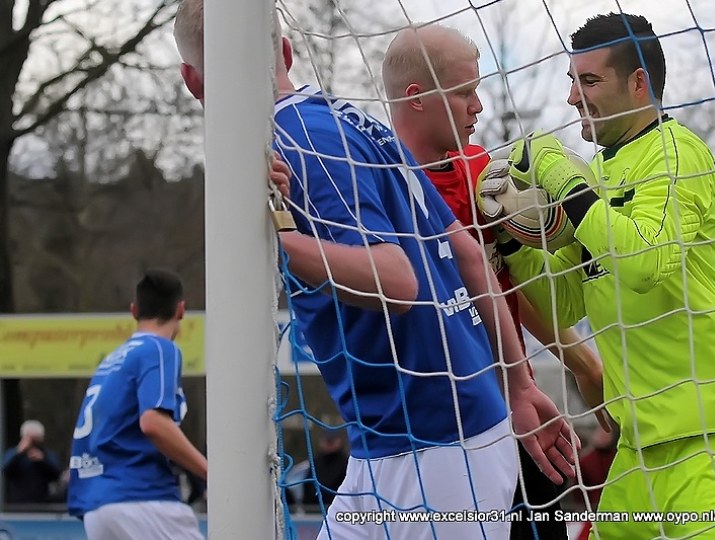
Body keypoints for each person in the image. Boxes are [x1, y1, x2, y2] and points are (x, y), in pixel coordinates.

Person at [174, 3, 579, 539]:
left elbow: (397, 280)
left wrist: (276, 244)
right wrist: (519, 386)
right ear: (287, 51)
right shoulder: (351, 120)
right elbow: (469, 255)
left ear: (192, 81)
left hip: (437, 448)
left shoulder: (296, 138)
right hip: (396, 444)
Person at [477, 12, 715, 539]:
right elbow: (564, 302)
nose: (573, 98)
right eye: (572, 81)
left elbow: (643, 263)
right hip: (637, 446)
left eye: (589, 81)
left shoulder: (677, 153)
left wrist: (560, 175)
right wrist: (509, 239)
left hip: (714, 436)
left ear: (639, 83)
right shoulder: (597, 176)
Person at [382, 24, 608, 540]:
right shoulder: (369, 182)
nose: (478, 106)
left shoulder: (487, 175)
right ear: (417, 98)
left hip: (516, 412)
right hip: (423, 428)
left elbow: (512, 294)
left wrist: (582, 362)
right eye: (465, 92)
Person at [67, 269, 207, 540]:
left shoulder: (111, 361)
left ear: (134, 310)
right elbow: (153, 422)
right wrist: (209, 471)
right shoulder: (159, 349)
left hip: (96, 506)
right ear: (181, 310)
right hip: (140, 498)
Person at [2, 420, 62, 504]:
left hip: (42, 503)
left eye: (34, 440)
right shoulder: (13, 453)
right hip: (16, 504)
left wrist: (43, 461)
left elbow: (57, 475)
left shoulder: (48, 454)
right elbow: (6, 470)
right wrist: (19, 453)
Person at [302, 432, 349, 508]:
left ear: (339, 442)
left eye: (331, 442)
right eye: (327, 441)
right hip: (314, 509)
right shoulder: (316, 461)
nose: (329, 445)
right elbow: (307, 484)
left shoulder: (346, 462)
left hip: (338, 508)